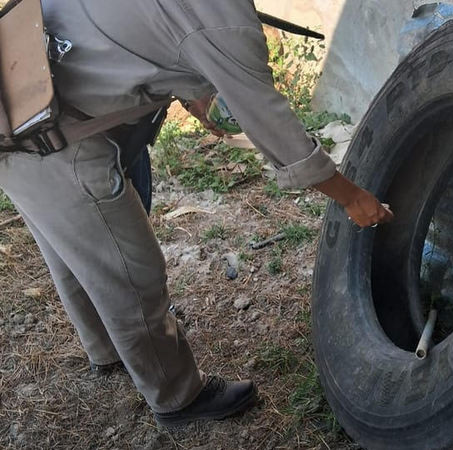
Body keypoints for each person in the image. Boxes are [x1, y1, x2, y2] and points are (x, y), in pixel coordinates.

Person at [0, 0, 393, 427]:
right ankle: (177, 396)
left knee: (78, 255)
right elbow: (272, 126)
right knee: (134, 277)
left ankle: (110, 350)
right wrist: (351, 197)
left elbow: (146, 34)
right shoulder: (221, 21)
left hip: (17, 99)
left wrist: (194, 92)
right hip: (51, 141)